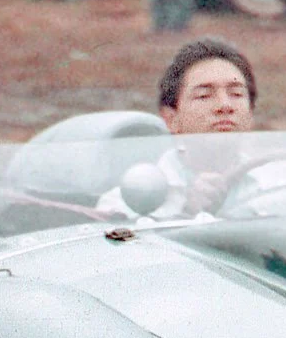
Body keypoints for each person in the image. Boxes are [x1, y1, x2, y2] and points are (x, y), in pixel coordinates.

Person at [98, 37, 258, 219]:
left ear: (251, 113)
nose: (225, 105)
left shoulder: (275, 186)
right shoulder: (125, 204)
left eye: (236, 94)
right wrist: (188, 213)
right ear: (170, 119)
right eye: (204, 96)